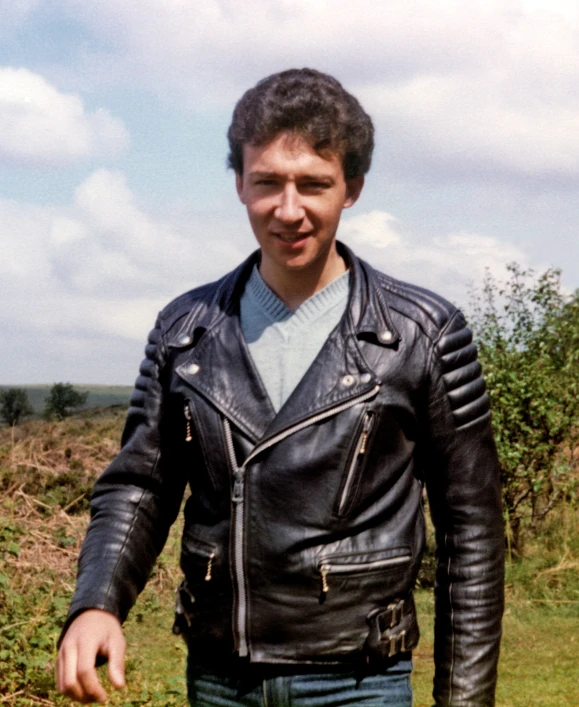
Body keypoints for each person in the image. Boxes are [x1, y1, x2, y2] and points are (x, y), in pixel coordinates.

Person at [56, 68, 504, 706]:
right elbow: (141, 485)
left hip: (360, 682)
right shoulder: (185, 334)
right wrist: (96, 603)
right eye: (267, 182)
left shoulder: (422, 335)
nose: (288, 210)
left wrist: (464, 700)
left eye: (313, 184)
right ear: (239, 183)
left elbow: (473, 530)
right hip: (220, 679)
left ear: (351, 188)